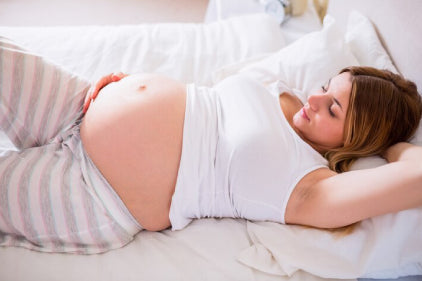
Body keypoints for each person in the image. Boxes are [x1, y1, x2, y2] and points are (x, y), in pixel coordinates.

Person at [0, 38, 421, 254]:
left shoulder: (313, 190)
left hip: (94, 193)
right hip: (80, 103)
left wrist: (392, 147)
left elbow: (416, 175)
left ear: (355, 141)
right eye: (326, 87)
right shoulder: (288, 97)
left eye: (332, 109)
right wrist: (130, 85)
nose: (314, 100)